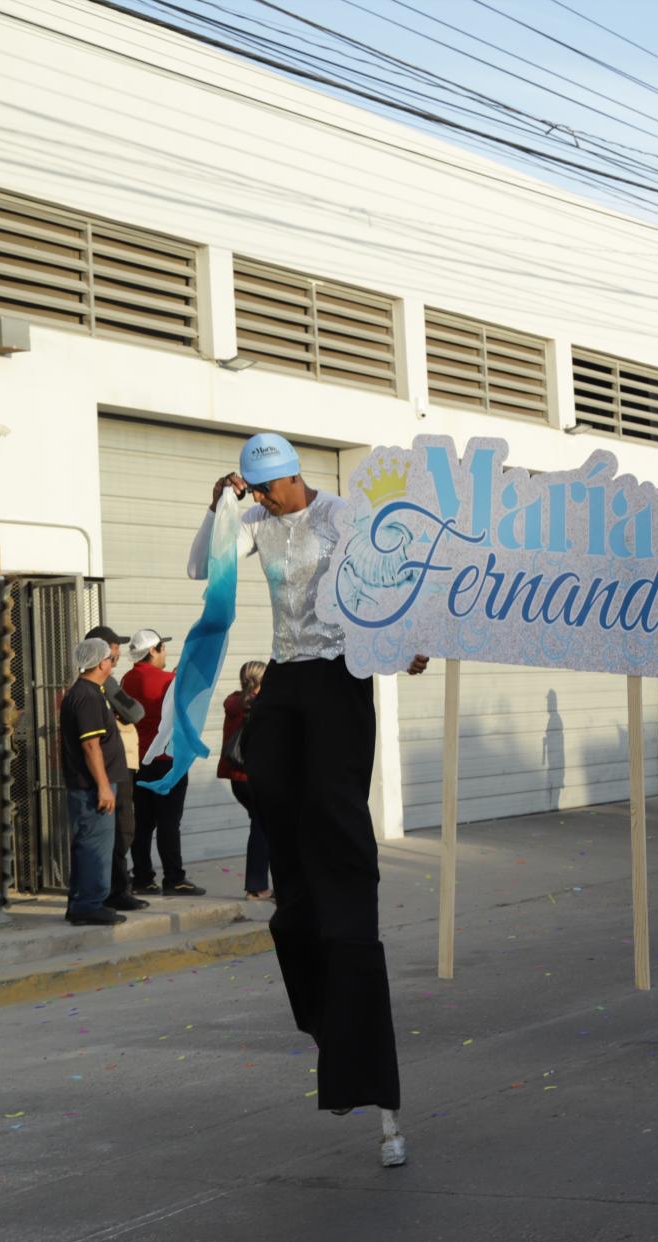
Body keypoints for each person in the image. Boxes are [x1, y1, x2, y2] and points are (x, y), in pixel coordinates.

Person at [195, 431, 426, 1169]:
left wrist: (409, 640)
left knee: (336, 822)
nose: (262, 498)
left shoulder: (348, 517)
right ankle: (300, 908)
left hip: (340, 673)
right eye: (254, 490)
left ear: (295, 476)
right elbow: (203, 567)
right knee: (265, 782)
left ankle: (345, 891)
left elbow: (395, 583)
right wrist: (219, 508)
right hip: (288, 677)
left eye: (269, 488)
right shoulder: (255, 521)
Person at [122, 628, 204, 897]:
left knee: (144, 822)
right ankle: (174, 878)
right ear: (153, 651)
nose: (165, 652)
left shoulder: (126, 679)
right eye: (162, 647)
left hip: (140, 759)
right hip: (167, 759)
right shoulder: (168, 681)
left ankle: (143, 878)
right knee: (169, 821)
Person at [60, 637, 129, 926]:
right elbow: (91, 746)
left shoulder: (84, 692)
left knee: (87, 845)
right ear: (102, 662)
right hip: (92, 788)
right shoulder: (87, 696)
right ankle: (88, 905)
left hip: (87, 785)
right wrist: (103, 785)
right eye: (112, 659)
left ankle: (81, 903)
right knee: (94, 847)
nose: (114, 663)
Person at [85, 625, 149, 914]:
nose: (118, 656)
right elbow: (135, 712)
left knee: (122, 828)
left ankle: (116, 887)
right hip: (112, 767)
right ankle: (116, 890)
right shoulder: (104, 683)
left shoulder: (104, 682)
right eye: (114, 650)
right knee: (121, 828)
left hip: (118, 764)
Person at [221, 660, 272, 901]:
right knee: (265, 828)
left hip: (237, 778)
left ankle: (258, 885)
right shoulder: (262, 705)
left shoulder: (234, 703)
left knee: (262, 825)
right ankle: (257, 886)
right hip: (256, 776)